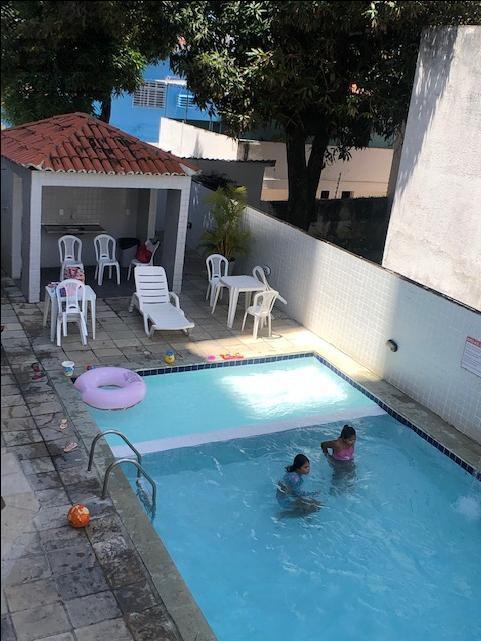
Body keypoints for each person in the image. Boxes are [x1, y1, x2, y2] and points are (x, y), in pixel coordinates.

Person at [321, 425, 357, 495]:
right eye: (350, 440)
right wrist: (327, 456)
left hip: (349, 462)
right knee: (337, 480)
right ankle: (332, 493)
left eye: (354, 439)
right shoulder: (337, 444)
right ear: (344, 439)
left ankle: (348, 492)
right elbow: (323, 444)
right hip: (338, 463)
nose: (353, 442)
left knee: (352, 478)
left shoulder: (352, 442)